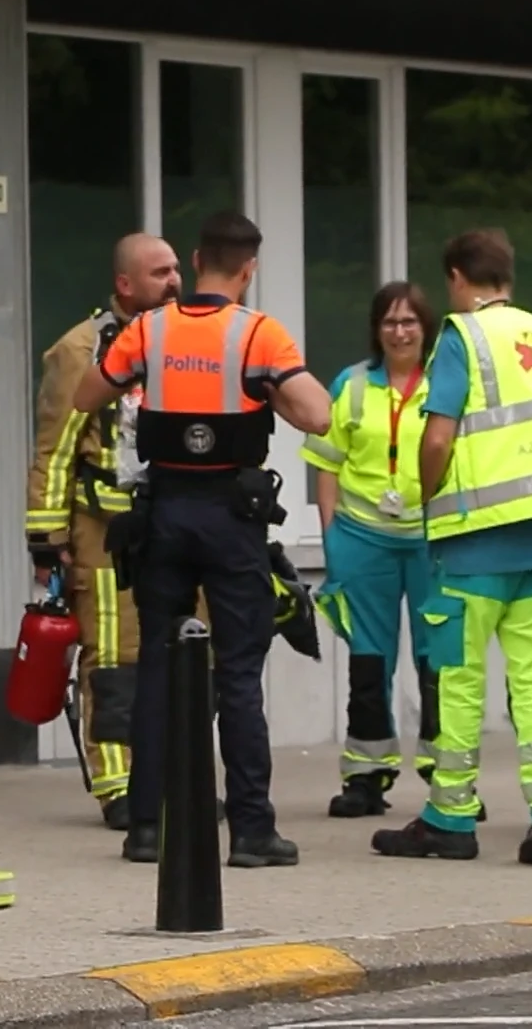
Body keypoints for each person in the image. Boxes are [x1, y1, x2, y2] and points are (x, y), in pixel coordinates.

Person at [73, 210, 331, 868]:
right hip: (230, 518)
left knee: (158, 667)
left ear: (193, 260)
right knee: (239, 675)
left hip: (163, 515)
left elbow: (85, 395)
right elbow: (319, 415)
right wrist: (267, 393)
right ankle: (250, 832)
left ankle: (148, 829)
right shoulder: (258, 335)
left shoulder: (150, 329)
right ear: (249, 267)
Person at [371, 227, 532, 869]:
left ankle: (450, 818)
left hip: (474, 544)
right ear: (510, 275)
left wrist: (429, 497)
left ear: (456, 277)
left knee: (461, 681)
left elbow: (439, 438)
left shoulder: (462, 336)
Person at [25, 232, 185, 830]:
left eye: (176, 270)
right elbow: (55, 450)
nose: (174, 282)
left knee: (185, 653)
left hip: (176, 524)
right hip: (105, 528)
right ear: (125, 284)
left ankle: (176, 777)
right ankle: (120, 786)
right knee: (115, 658)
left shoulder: (187, 338)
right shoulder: (80, 350)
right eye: (160, 272)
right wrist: (47, 540)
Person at [303, 281, 451, 819]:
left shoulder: (446, 382)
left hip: (432, 539)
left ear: (426, 328)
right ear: (376, 329)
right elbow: (325, 465)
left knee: (440, 662)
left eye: (410, 321)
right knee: (369, 662)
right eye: (389, 321)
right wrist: (331, 538)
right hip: (363, 536)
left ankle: (449, 780)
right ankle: (366, 777)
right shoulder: (352, 384)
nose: (400, 331)